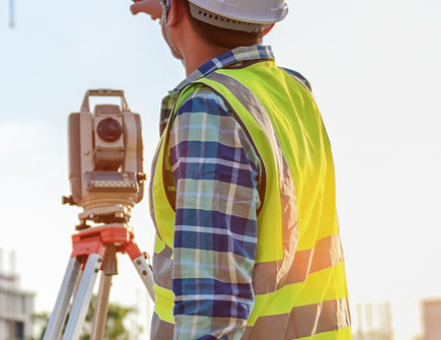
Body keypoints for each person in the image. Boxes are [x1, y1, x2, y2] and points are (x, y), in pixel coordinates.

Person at [129, 0, 350, 338]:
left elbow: (211, 312)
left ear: (173, 11)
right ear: (268, 24)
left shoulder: (210, 109)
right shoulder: (294, 94)